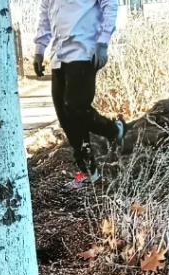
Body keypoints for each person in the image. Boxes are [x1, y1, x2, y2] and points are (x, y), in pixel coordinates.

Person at [33, 0, 126, 190]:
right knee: (65, 116)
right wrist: (39, 50)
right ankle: (88, 171)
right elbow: (45, 16)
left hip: (84, 52)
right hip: (58, 57)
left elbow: (110, 4)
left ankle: (114, 130)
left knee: (74, 106)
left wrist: (103, 43)